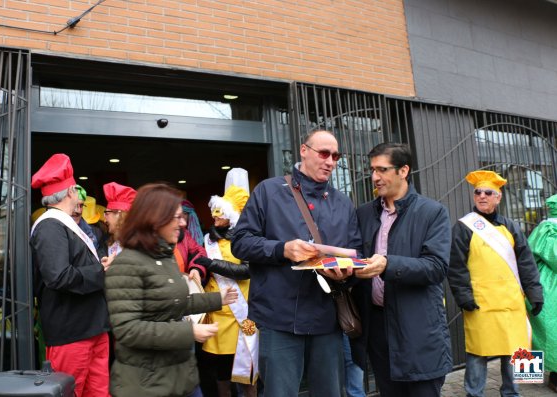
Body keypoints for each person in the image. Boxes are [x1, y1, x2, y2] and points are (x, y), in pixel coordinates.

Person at [231, 129, 361, 397]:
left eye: (336, 156)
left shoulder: (343, 203)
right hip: (277, 318)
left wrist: (346, 273)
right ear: (304, 151)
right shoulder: (269, 190)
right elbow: (240, 243)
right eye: (324, 153)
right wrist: (282, 249)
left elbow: (354, 252)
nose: (330, 161)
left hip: (327, 318)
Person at [104, 183, 238, 397]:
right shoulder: (126, 264)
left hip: (180, 377)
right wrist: (189, 332)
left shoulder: (164, 257)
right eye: (176, 217)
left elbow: (176, 302)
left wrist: (216, 299)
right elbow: (128, 330)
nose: (183, 223)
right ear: (154, 220)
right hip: (147, 384)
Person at [350, 142, 452, 397]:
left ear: (403, 170)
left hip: (417, 327)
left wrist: (388, 264)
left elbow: (436, 267)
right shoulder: (363, 213)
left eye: (382, 169)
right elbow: (356, 258)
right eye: (372, 170)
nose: (375, 177)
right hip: (377, 328)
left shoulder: (432, 212)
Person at [448, 170, 543, 397]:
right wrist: (464, 297)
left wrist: (535, 294)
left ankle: (513, 393)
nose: (482, 196)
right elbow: (456, 267)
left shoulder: (510, 226)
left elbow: (526, 263)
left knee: (517, 349)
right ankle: (474, 394)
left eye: (488, 192)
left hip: (512, 301)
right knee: (478, 353)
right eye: (478, 192)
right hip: (481, 303)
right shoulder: (463, 227)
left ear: (498, 197)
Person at [30, 153, 113, 397]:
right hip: (71, 334)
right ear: (69, 192)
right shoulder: (49, 226)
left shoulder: (65, 224)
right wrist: (101, 271)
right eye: (77, 189)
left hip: (92, 328)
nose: (80, 195)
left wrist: (101, 264)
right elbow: (58, 276)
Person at [196, 168, 258, 397]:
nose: (214, 217)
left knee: (248, 377)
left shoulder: (247, 238)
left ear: (231, 215)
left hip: (243, 317)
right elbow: (202, 268)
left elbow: (246, 270)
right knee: (221, 377)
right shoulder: (208, 238)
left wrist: (211, 264)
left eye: (219, 213)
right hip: (219, 317)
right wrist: (197, 269)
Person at [527, 194, 557, 393]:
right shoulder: (548, 229)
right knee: (545, 332)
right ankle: (532, 375)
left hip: (546, 287)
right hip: (547, 289)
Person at [103, 181, 137, 257]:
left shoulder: (136, 246)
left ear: (119, 214)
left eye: (107, 213)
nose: (104, 219)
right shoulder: (112, 243)